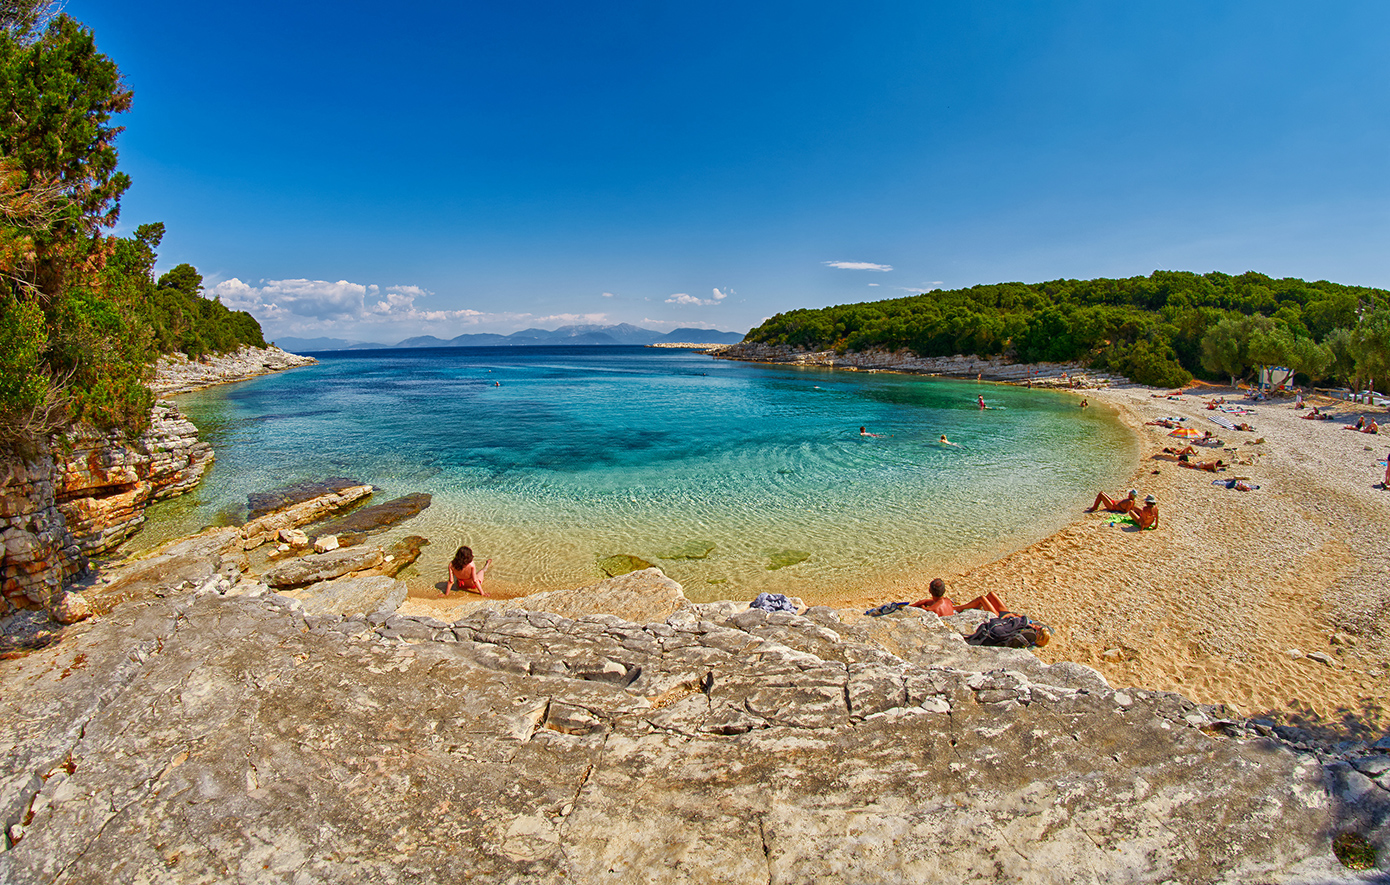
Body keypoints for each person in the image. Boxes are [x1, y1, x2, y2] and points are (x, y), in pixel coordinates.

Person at [909, 577, 1007, 617]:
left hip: (1001, 617)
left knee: (982, 598)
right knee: (987, 596)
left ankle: (968, 607)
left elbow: (923, 609)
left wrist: (921, 605)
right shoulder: (948, 601)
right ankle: (968, 607)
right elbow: (934, 603)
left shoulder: (931, 609)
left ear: (929, 591)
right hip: (1006, 614)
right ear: (944, 591)